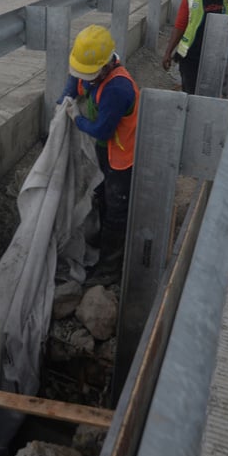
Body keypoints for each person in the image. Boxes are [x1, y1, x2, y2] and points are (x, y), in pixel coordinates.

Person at [59, 25, 139, 285]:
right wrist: (63, 102)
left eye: (89, 73)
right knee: (101, 195)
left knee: (117, 209)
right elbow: (75, 83)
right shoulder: (93, 70)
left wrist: (77, 119)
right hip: (107, 151)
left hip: (124, 156)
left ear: (105, 66)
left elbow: (103, 131)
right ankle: (99, 237)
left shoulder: (117, 88)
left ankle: (110, 268)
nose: (85, 78)